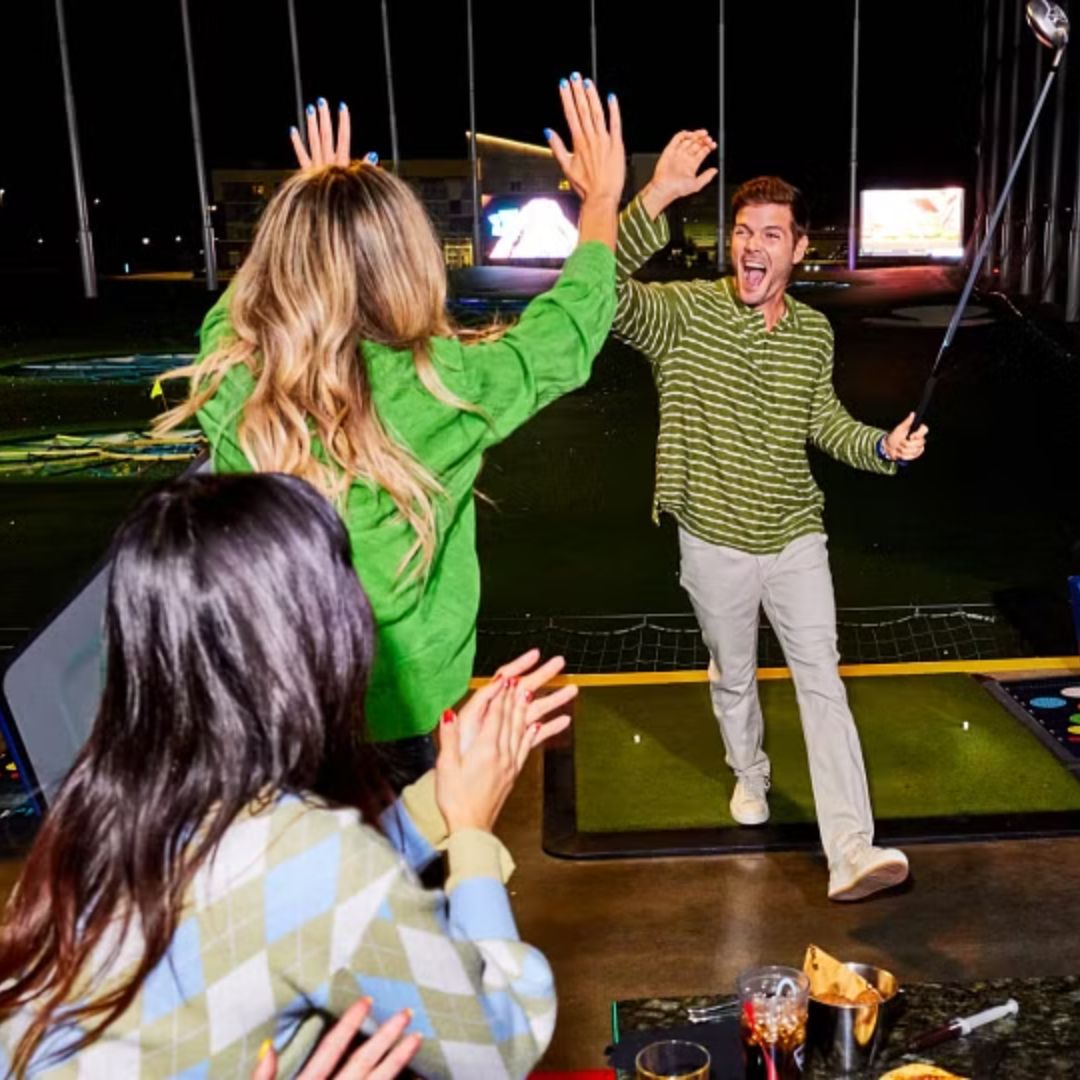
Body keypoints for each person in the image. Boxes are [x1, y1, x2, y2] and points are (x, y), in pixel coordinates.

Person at [0, 473, 576, 1077]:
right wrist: (474, 835)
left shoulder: (109, 805)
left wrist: (437, 802)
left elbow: (287, 895)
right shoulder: (307, 857)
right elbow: (493, 1050)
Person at [155, 77, 624, 785]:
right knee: (413, 886)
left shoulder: (236, 386)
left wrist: (309, 211)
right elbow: (568, 332)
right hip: (407, 724)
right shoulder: (446, 390)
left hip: (274, 714)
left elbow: (235, 312)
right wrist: (601, 205)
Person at [603, 131, 928, 901]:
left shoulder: (814, 332)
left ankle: (850, 847)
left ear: (797, 249)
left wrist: (882, 445)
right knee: (735, 679)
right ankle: (749, 774)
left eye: (769, 235)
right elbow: (600, 289)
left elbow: (825, 424)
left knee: (823, 679)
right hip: (712, 540)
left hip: (795, 536)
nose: (751, 246)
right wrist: (653, 197)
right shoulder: (683, 315)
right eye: (742, 232)